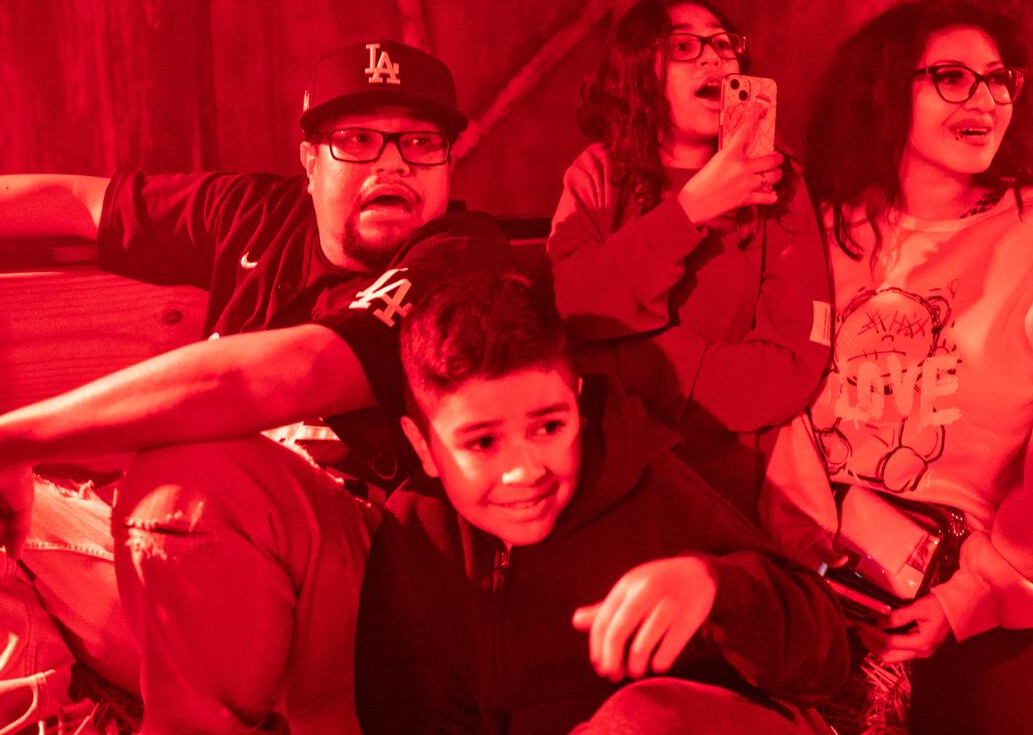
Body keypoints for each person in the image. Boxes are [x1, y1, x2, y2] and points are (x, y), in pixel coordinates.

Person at [0, 40, 515, 733]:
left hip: (357, 622)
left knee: (195, 469)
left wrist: (18, 435)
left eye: (420, 142)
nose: (393, 162)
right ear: (310, 161)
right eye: (356, 140)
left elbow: (293, 372)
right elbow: (74, 204)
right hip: (184, 577)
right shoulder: (256, 216)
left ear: (447, 164)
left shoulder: (462, 257)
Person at [759, 0, 1033, 734]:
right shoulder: (817, 228)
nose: (985, 99)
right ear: (883, 87)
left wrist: (971, 595)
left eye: (999, 80)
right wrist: (807, 548)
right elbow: (767, 393)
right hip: (814, 556)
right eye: (951, 77)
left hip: (983, 576)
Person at [352, 270, 849, 734]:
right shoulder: (415, 533)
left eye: (549, 427)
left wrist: (719, 588)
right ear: (424, 449)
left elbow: (825, 664)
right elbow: (407, 712)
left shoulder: (643, 483)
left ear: (578, 398)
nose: (525, 471)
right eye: (482, 443)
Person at [548, 0, 831, 520]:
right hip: (603, 477)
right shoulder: (597, 174)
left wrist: (632, 363)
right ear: (637, 69)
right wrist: (693, 209)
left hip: (730, 492)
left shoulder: (779, 184)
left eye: (725, 45)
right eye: (684, 46)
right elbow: (574, 306)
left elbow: (791, 368)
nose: (715, 59)